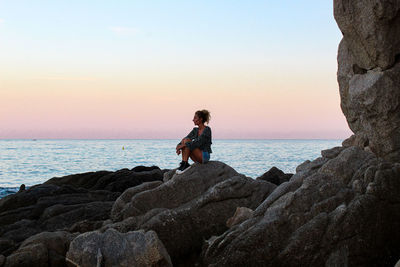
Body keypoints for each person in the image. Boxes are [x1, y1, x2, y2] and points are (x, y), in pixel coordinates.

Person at [175, 109, 212, 174]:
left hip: (204, 155)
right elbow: (186, 138)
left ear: (200, 119)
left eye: (195, 118)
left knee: (187, 143)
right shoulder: (195, 130)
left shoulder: (207, 130)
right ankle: (184, 163)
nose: (193, 120)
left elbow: (198, 142)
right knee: (186, 139)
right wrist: (178, 146)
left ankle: (185, 164)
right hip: (197, 156)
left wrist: (182, 146)